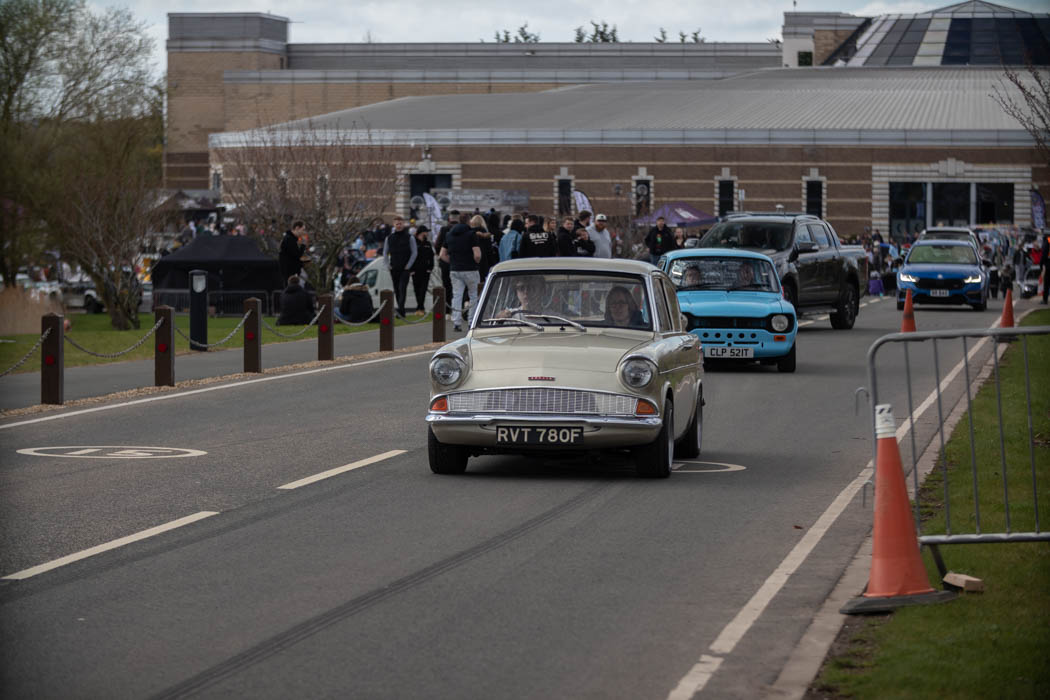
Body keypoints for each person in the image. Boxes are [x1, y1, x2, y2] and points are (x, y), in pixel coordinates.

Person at [439, 212, 482, 331]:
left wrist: (451, 262)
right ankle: (471, 321)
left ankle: (456, 322)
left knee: (456, 296)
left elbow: (442, 254)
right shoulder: (471, 234)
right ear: (469, 221)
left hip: (455, 269)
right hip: (470, 269)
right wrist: (476, 262)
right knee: (473, 295)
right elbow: (477, 254)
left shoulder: (449, 234)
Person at [382, 216, 417, 318]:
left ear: (403, 224)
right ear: (394, 225)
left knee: (402, 288)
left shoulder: (409, 237)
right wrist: (388, 265)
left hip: (405, 268)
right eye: (397, 223)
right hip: (394, 267)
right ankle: (401, 310)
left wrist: (408, 265)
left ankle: (400, 310)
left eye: (400, 223)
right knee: (397, 289)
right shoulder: (389, 238)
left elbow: (414, 253)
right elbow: (385, 252)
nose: (399, 225)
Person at [411, 226, 434, 313]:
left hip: (425, 270)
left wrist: (430, 268)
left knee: (423, 289)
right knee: (417, 289)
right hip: (415, 270)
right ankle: (420, 307)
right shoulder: (413, 242)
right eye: (426, 232)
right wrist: (411, 270)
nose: (427, 234)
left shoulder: (427, 243)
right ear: (421, 232)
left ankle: (420, 307)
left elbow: (431, 257)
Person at [471, 214, 500, 281]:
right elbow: (489, 252)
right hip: (484, 263)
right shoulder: (486, 235)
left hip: (471, 264)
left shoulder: (469, 234)